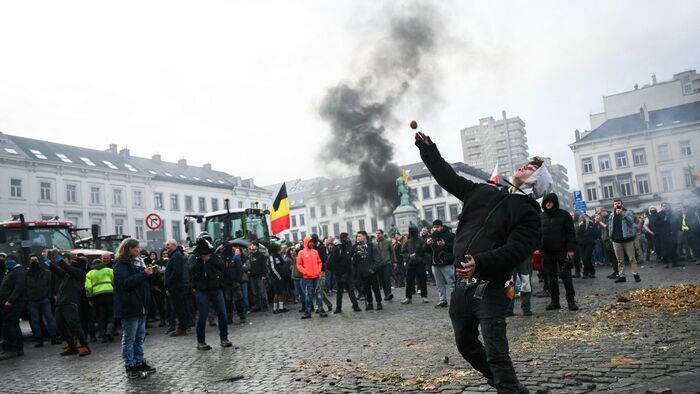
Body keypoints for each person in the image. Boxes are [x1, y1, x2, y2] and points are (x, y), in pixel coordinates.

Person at [415, 130, 546, 393]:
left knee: (496, 350)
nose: (524, 167)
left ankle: (508, 388)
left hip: (492, 286)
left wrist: (481, 263)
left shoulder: (529, 213)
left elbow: (515, 250)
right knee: (465, 344)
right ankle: (504, 382)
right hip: (463, 284)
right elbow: (448, 178)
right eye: (526, 164)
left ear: (538, 182)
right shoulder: (484, 192)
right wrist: (428, 150)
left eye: (531, 168)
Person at [114, 238, 157, 378]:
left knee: (140, 337)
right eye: (136, 248)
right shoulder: (121, 264)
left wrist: (150, 274)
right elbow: (125, 284)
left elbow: (142, 283)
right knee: (129, 337)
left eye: (139, 248)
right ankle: (130, 365)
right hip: (129, 306)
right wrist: (143, 274)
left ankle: (139, 361)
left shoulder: (139, 263)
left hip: (141, 305)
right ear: (128, 249)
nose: (139, 250)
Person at [189, 238, 233, 350]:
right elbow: (191, 270)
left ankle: (224, 338)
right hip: (201, 290)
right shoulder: (194, 257)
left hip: (215, 288)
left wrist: (209, 259)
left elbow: (221, 265)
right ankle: (201, 341)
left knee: (222, 314)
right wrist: (200, 260)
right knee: (202, 316)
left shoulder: (213, 256)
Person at [48, 250, 91, 357]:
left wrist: (57, 257)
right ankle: (72, 346)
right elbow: (56, 270)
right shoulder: (69, 274)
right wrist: (46, 260)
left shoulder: (79, 273)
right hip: (61, 303)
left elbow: (66, 267)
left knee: (74, 325)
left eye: (74, 261)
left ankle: (84, 346)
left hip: (70, 303)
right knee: (60, 326)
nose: (72, 262)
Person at [540, 193, 578, 311]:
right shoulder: (540, 217)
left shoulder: (564, 215)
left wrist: (570, 250)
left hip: (562, 251)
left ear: (555, 202)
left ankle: (571, 301)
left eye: (550, 201)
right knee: (551, 279)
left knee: (566, 277)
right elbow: (537, 234)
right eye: (546, 202)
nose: (548, 203)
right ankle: (554, 301)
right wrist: (538, 247)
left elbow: (570, 233)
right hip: (547, 252)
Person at [25, 254, 60, 347]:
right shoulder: (26, 274)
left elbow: (51, 285)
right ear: (29, 262)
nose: (34, 262)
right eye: (32, 260)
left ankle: (54, 337)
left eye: (35, 259)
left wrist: (49, 295)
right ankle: (39, 339)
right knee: (35, 321)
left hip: (44, 299)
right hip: (32, 301)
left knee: (49, 319)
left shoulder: (46, 273)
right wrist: (27, 298)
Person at [0, 254, 26, 360]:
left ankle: (13, 349)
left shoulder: (19, 271)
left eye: (9, 260)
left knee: (10, 325)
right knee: (12, 325)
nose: (7, 262)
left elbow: (19, 288)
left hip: (14, 304)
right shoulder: (10, 271)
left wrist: (10, 300)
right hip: (7, 304)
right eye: (6, 260)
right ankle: (17, 348)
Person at [608, 199, 641, 283]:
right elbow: (610, 227)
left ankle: (636, 275)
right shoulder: (612, 215)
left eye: (618, 203)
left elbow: (631, 222)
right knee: (620, 260)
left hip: (627, 239)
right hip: (616, 240)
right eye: (615, 204)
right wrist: (611, 237)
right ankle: (622, 276)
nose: (617, 205)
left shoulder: (628, 212)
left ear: (622, 204)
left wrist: (623, 214)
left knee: (631, 258)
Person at [328, 233, 361, 313]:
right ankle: (338, 308)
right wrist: (340, 273)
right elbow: (333, 262)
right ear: (343, 238)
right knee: (340, 291)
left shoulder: (347, 247)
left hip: (348, 273)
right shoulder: (337, 248)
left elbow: (349, 260)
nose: (347, 239)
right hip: (340, 274)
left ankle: (355, 306)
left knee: (350, 290)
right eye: (346, 238)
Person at [426, 220, 455, 308]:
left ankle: (457, 299)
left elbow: (455, 247)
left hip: (446, 263)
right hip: (435, 264)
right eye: (434, 227)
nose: (435, 229)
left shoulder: (450, 235)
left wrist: (444, 245)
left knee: (453, 282)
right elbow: (426, 251)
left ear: (441, 226)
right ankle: (442, 300)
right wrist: (427, 244)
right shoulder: (431, 236)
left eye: (437, 227)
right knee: (439, 284)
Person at [85, 257, 115, 342]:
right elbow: (114, 281)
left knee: (100, 316)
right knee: (111, 314)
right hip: (109, 294)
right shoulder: (109, 270)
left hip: (97, 297)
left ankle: (103, 335)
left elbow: (88, 287)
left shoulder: (90, 273)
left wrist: (90, 298)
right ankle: (109, 330)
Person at [164, 239, 190, 336]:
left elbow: (176, 272)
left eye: (168, 245)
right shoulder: (174, 256)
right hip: (175, 287)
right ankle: (182, 327)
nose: (166, 247)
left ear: (174, 245)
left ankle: (182, 328)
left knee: (180, 308)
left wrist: (167, 283)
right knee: (179, 308)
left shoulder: (176, 256)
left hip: (177, 287)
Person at [352, 231, 383, 311]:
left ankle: (379, 302)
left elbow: (378, 259)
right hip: (363, 272)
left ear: (364, 236)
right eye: (357, 236)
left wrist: (373, 269)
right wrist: (356, 256)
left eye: (359, 236)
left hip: (371, 271)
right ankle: (370, 303)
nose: (358, 237)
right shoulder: (356, 247)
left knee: (375, 288)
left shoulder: (372, 246)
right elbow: (355, 261)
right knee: (366, 289)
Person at [296, 235, 325, 318]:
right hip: (307, 277)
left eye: (312, 242)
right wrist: (305, 272)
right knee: (308, 294)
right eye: (310, 242)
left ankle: (321, 309)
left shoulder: (315, 252)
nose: (311, 243)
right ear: (306, 242)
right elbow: (299, 264)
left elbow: (319, 262)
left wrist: (318, 270)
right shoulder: (301, 253)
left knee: (318, 293)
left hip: (315, 276)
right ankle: (308, 311)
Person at [401, 227, 428, 304]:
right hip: (411, 264)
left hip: (420, 263)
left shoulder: (421, 241)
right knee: (409, 281)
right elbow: (403, 253)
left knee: (423, 280)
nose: (413, 233)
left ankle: (424, 296)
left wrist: (420, 257)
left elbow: (424, 252)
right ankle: (408, 297)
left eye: (413, 232)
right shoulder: (408, 242)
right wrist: (409, 256)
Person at [267, 243, 290, 313]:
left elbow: (282, 263)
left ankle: (281, 307)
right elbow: (273, 268)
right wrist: (278, 276)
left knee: (281, 292)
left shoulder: (277, 255)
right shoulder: (271, 256)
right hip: (275, 278)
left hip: (280, 277)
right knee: (277, 293)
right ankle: (274, 309)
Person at [374, 229, 396, 301]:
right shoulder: (374, 243)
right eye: (376, 233)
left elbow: (392, 252)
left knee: (387, 279)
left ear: (382, 234)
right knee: (382, 280)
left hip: (387, 263)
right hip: (378, 264)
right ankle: (386, 294)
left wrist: (394, 262)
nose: (377, 235)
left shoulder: (387, 241)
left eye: (379, 233)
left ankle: (389, 293)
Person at [247, 241, 269, 312]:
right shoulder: (250, 256)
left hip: (260, 276)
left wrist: (264, 275)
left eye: (253, 245)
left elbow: (264, 266)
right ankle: (257, 306)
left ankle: (265, 306)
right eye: (251, 245)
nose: (251, 246)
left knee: (262, 292)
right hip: (252, 277)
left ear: (257, 247)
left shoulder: (261, 255)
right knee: (255, 293)